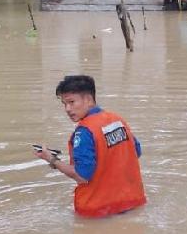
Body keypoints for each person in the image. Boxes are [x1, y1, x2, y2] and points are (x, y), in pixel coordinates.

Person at [34, 75, 146, 217]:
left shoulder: (84, 132)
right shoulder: (117, 120)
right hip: (132, 203)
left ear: (88, 99)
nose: (67, 109)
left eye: (72, 102)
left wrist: (51, 159)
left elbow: (82, 176)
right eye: (64, 104)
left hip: (98, 211)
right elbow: (136, 152)